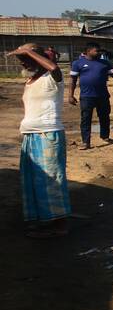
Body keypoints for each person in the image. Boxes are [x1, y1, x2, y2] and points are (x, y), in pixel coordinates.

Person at [10, 44, 70, 238]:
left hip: (47, 134)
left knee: (51, 180)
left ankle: (59, 225)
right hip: (30, 135)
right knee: (33, 181)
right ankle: (43, 220)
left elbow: (55, 68)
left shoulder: (52, 78)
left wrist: (29, 52)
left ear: (37, 57)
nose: (22, 62)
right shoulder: (31, 80)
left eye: (26, 59)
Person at [68, 44, 113, 150]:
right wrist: (70, 95)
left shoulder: (105, 63)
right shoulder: (77, 63)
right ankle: (86, 142)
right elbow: (73, 80)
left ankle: (105, 136)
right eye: (96, 51)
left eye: (99, 51)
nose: (98, 53)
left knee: (104, 117)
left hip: (103, 96)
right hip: (86, 96)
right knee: (86, 119)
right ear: (88, 51)